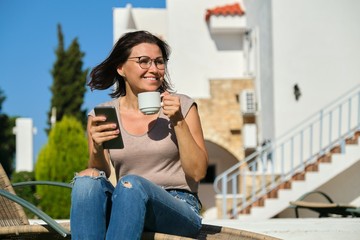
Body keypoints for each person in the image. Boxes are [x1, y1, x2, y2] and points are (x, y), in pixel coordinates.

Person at [70, 30, 209, 240]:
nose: (153, 69)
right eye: (143, 61)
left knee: (132, 184)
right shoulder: (105, 115)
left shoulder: (183, 106)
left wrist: (178, 121)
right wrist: (97, 149)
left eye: (159, 62)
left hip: (179, 207)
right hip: (126, 202)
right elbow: (100, 172)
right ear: (121, 68)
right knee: (85, 182)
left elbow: (198, 172)